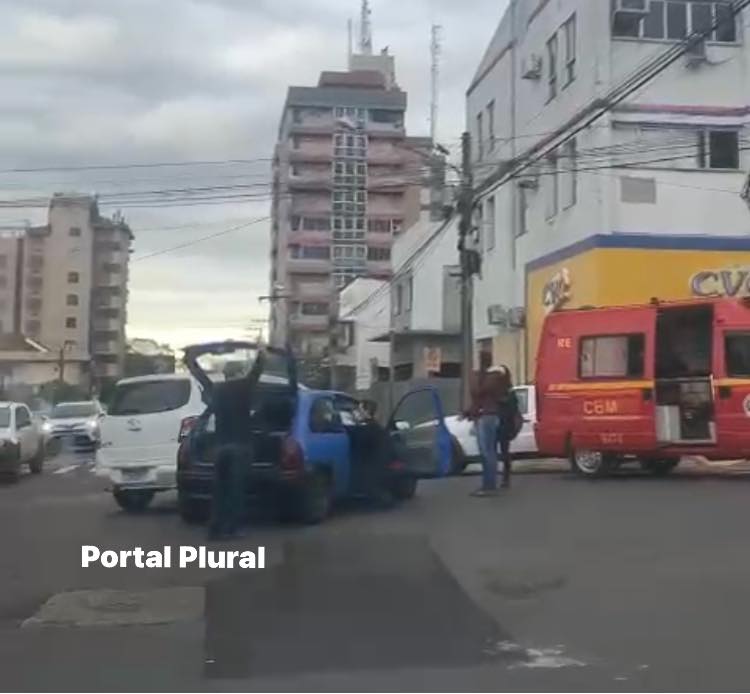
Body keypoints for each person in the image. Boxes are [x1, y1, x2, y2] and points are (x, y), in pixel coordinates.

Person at [466, 365, 508, 496]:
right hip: (487, 416)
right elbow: (478, 399)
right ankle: (488, 485)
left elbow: (478, 393)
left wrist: (476, 379)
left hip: (487, 417)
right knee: (488, 452)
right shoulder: (495, 381)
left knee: (487, 452)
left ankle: (488, 486)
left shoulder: (491, 379)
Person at [495, 365, 521, 489]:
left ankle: (505, 478)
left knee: (504, 452)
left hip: (505, 424)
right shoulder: (497, 389)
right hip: (499, 423)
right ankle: (500, 478)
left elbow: (513, 408)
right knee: (497, 452)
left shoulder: (509, 391)